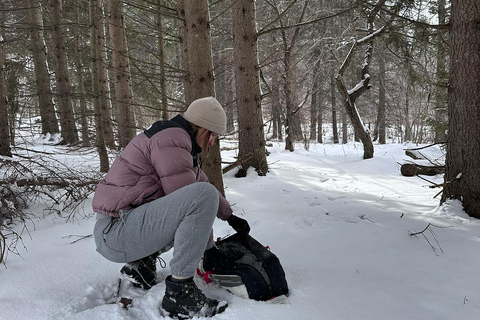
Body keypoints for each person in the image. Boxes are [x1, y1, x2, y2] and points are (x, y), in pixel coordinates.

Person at [92, 97, 250, 318]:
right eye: (213, 135)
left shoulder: (175, 140)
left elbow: (201, 183)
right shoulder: (171, 140)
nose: (213, 142)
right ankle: (180, 294)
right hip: (116, 232)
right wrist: (209, 249)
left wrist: (229, 215)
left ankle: (141, 265)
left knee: (199, 195)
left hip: (121, 229)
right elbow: (193, 200)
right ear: (203, 128)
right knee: (199, 199)